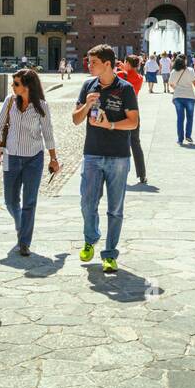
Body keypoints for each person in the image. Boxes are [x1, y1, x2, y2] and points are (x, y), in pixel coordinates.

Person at [72, 45, 139, 272]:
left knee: (115, 208)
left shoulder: (125, 89)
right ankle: (91, 238)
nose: (89, 66)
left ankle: (109, 254)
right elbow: (75, 119)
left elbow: (133, 122)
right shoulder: (87, 86)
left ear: (107, 64)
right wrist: (87, 105)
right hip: (92, 153)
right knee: (87, 203)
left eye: (93, 63)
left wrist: (110, 124)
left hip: (118, 156)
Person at [0, 67, 60, 257]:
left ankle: (24, 242)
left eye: (16, 84)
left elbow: (48, 133)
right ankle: (21, 225)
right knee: (9, 200)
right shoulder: (9, 102)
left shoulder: (41, 106)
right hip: (10, 156)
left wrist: (53, 158)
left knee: (29, 201)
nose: (12, 87)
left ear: (27, 86)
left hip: (34, 158)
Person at [117, 53, 147, 185]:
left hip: (120, 111)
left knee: (119, 143)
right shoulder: (140, 78)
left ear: (128, 64)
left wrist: (122, 69)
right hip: (134, 111)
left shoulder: (120, 75)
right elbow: (130, 76)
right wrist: (126, 68)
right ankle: (142, 174)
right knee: (135, 143)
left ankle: (119, 173)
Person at [169, 54, 195, 144]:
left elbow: (171, 83)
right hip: (189, 97)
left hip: (178, 97)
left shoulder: (173, 72)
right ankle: (188, 136)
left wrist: (177, 89)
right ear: (185, 61)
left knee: (180, 118)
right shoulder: (190, 70)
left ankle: (180, 139)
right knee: (190, 117)